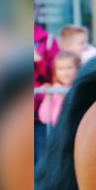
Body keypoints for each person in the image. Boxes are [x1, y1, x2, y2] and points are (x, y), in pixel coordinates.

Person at [33, 16, 59, 163]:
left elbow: (56, 75)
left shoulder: (48, 40)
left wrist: (39, 60)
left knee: (42, 162)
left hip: (40, 116)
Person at [37, 51, 79, 127]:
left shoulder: (78, 88)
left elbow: (75, 114)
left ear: (78, 69)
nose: (65, 72)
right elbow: (45, 118)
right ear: (55, 72)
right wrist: (48, 97)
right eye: (60, 69)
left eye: (69, 68)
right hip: (57, 133)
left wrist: (63, 95)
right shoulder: (55, 90)